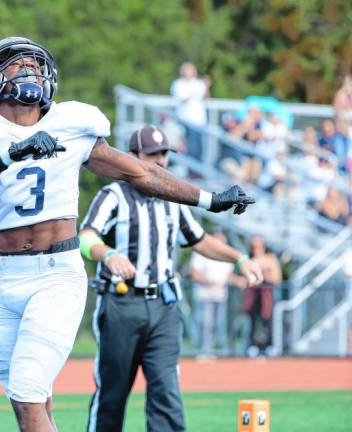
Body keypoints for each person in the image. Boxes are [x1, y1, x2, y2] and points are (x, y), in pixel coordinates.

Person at [0, 37, 255, 432]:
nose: (31, 73)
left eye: (36, 66)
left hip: (56, 274)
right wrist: (13, 153)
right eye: (19, 66)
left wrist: (208, 199)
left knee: (27, 391)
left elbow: (141, 172)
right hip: (4, 281)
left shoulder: (71, 124)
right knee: (32, 403)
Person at [79, 125, 262, 432]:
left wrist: (239, 258)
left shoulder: (173, 199)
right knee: (113, 391)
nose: (161, 161)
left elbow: (199, 240)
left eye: (164, 153)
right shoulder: (113, 196)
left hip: (164, 307)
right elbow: (85, 236)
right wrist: (108, 255)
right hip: (122, 305)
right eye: (153, 154)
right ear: (132, 156)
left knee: (166, 392)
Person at [189, 230, 246, 356]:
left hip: (220, 295)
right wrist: (209, 282)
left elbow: (228, 276)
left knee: (216, 324)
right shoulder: (201, 253)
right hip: (204, 295)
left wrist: (238, 280)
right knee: (205, 324)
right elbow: (194, 272)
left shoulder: (225, 256)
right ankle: (203, 350)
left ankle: (212, 350)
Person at [242, 236, 282, 358]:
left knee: (268, 321)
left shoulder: (270, 259)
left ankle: (269, 346)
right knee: (252, 321)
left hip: (266, 294)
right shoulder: (248, 260)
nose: (255, 249)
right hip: (253, 294)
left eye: (258, 247)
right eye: (253, 247)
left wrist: (262, 275)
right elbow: (243, 279)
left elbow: (277, 278)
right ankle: (252, 346)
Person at [170, 62, 211, 159]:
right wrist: (195, 91)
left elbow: (206, 98)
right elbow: (182, 99)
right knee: (191, 148)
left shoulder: (199, 83)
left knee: (200, 149)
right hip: (186, 120)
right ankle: (190, 172)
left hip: (200, 121)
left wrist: (206, 87)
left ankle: (198, 172)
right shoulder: (178, 84)